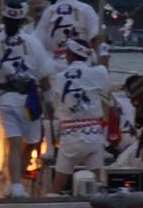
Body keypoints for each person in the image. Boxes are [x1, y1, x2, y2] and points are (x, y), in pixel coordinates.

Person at [0, 2, 56, 197]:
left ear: (4, 20)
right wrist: (49, 101)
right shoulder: (32, 42)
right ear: (22, 21)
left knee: (14, 142)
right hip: (29, 99)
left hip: (5, 97)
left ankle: (13, 183)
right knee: (31, 142)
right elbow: (44, 76)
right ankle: (16, 183)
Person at [47, 36, 114, 194]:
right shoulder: (97, 72)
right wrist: (101, 47)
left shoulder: (59, 78)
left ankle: (50, 206)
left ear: (69, 54)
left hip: (70, 135)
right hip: (93, 133)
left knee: (58, 184)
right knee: (98, 182)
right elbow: (104, 66)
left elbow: (55, 107)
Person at [36, 0, 101, 63]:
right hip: (81, 62)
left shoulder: (49, 11)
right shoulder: (86, 9)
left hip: (53, 64)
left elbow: (37, 40)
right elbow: (95, 38)